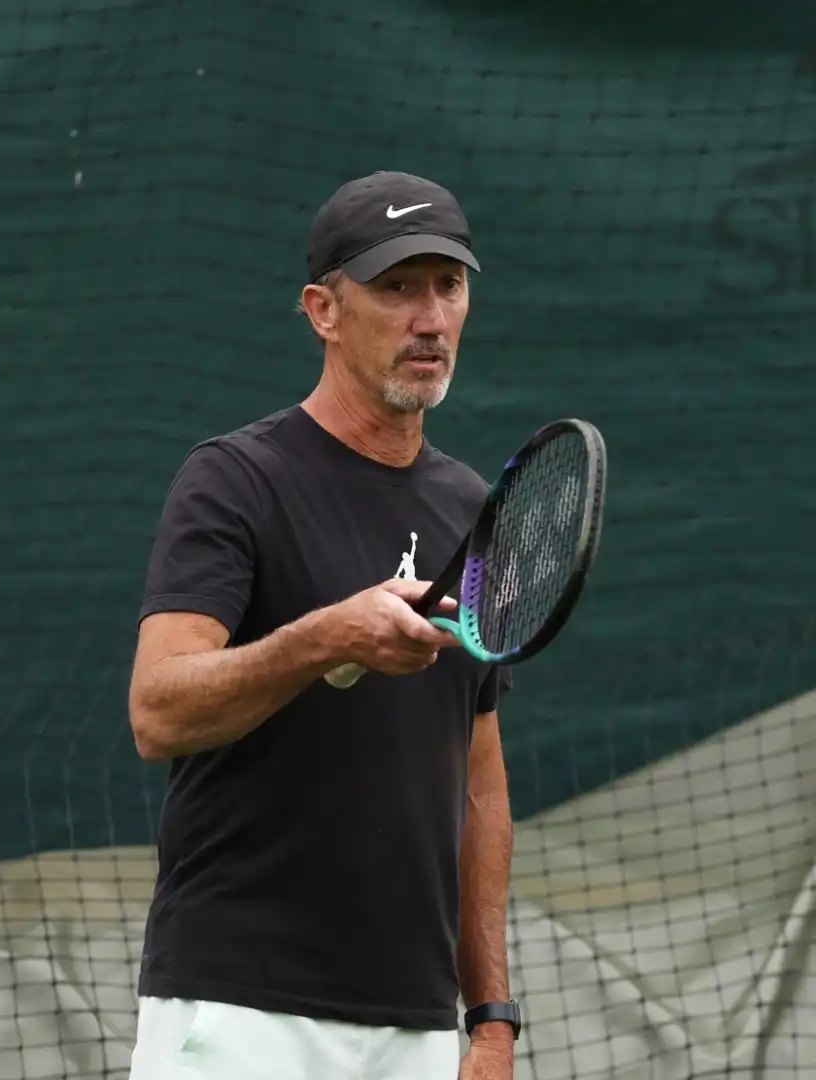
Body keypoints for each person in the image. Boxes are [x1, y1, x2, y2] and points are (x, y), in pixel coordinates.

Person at [126, 170, 521, 1080]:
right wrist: (327, 639)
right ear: (323, 311)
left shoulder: (474, 509)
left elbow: (480, 783)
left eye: (448, 286)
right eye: (396, 287)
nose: (430, 318)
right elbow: (158, 710)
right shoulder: (234, 481)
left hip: (415, 1026)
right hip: (240, 1009)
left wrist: (491, 1020)